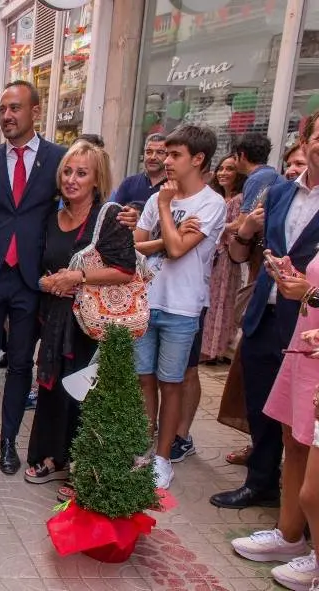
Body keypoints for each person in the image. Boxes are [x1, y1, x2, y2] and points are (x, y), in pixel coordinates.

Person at [0, 80, 67, 475]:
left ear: (34, 111)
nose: (7, 116)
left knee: (21, 364)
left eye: (15, 108)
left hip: (32, 279)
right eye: (3, 109)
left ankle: (8, 443)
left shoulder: (58, 159)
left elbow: (76, 210)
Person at [213, 111, 319, 510]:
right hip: (265, 313)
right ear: (305, 140)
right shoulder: (278, 194)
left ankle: (301, 507)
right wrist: (244, 231)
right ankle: (261, 483)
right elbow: (243, 254)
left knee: (301, 420)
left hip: (310, 325)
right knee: (261, 404)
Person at [25, 140, 136, 485]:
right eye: (68, 172)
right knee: (52, 390)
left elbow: (126, 270)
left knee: (84, 395)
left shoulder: (111, 217)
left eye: (82, 173)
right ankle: (53, 457)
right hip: (56, 320)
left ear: (96, 179)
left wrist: (79, 276)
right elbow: (39, 268)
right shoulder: (50, 218)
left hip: (93, 326)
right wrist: (48, 283)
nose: (72, 179)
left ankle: (83, 469)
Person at [133, 125, 226, 489]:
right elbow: (137, 245)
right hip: (146, 301)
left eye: (175, 155)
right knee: (144, 379)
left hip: (182, 307)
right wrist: (167, 227)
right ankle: (142, 448)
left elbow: (176, 250)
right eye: (165, 154)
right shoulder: (160, 196)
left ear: (198, 159)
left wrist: (165, 209)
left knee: (171, 384)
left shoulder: (211, 203)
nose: (166, 162)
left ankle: (163, 457)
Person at [230, 250, 319, 589]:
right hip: (305, 342)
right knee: (292, 441)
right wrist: (295, 279)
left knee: (313, 472)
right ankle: (289, 534)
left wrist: (308, 293)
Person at [200, 155, 246, 363]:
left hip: (227, 258)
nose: (223, 173)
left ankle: (217, 349)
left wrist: (213, 226)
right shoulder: (216, 197)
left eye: (230, 169)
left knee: (221, 302)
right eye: (221, 168)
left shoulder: (239, 200)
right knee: (210, 301)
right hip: (211, 257)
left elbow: (239, 227)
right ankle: (208, 347)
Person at [112, 134, 167, 210]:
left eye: (160, 152)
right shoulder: (129, 183)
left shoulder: (173, 186)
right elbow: (114, 214)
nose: (153, 157)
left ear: (168, 156)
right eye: (149, 152)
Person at [235, 131, 280, 214]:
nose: (234, 162)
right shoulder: (271, 174)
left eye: (235, 157)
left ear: (242, 156)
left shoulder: (256, 179)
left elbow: (243, 222)